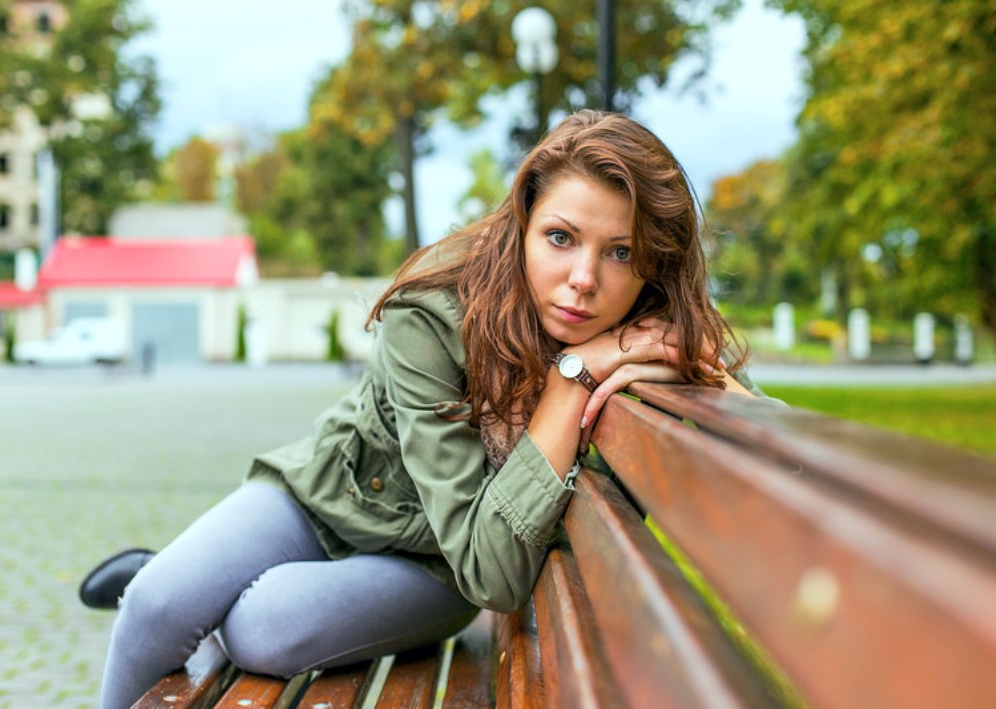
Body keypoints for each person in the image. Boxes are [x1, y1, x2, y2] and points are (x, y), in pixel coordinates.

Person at [91, 109, 759, 708]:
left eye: (620, 253)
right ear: (524, 221)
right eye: (561, 237)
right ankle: (171, 572)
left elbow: (490, 570)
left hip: (439, 562)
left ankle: (197, 577)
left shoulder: (649, 336)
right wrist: (577, 373)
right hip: (334, 493)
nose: (584, 278)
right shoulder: (438, 309)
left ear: (651, 268)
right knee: (158, 603)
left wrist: (573, 381)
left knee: (257, 627)